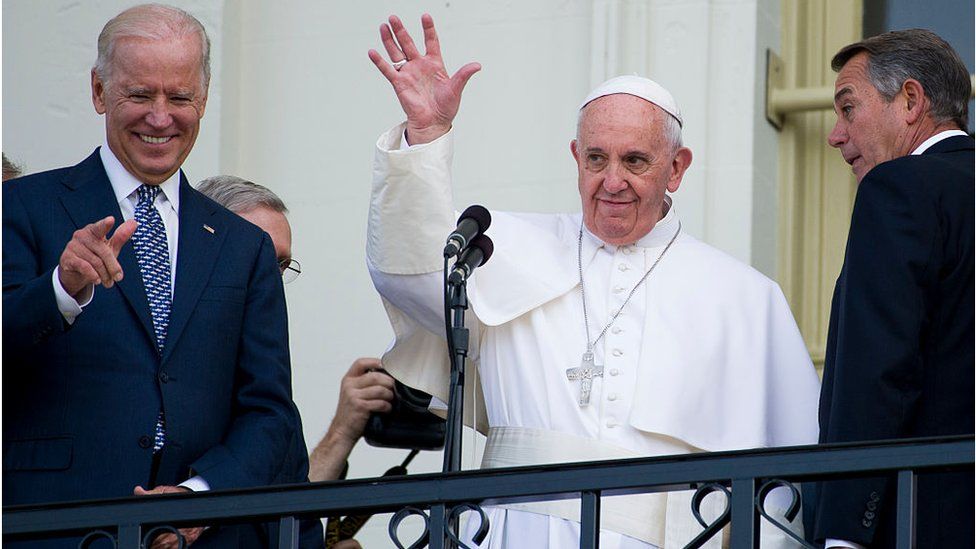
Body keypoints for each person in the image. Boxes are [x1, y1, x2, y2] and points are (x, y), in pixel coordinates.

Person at [365, 14, 821, 548]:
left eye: (635, 161)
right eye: (597, 159)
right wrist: (426, 136)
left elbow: (786, 487)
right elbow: (413, 276)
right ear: (577, 158)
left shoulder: (746, 298)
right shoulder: (502, 249)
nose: (612, 182)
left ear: (676, 169)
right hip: (519, 532)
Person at [2, 5, 305, 547]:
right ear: (99, 92)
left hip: (204, 536)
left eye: (180, 97)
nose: (161, 117)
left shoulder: (244, 246)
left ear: (204, 99)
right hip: (60, 527)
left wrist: (199, 496)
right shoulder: (21, 207)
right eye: (140, 95)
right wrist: (61, 290)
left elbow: (269, 411)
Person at [814, 29, 974, 549]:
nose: (836, 135)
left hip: (926, 521)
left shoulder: (901, 186)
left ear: (910, 100)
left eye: (848, 108)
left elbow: (878, 368)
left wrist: (843, 531)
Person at [195, 175, 397, 485]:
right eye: (255, 260)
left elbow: (288, 514)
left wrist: (342, 430)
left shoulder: (269, 395)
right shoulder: (161, 372)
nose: (269, 280)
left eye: (280, 265)